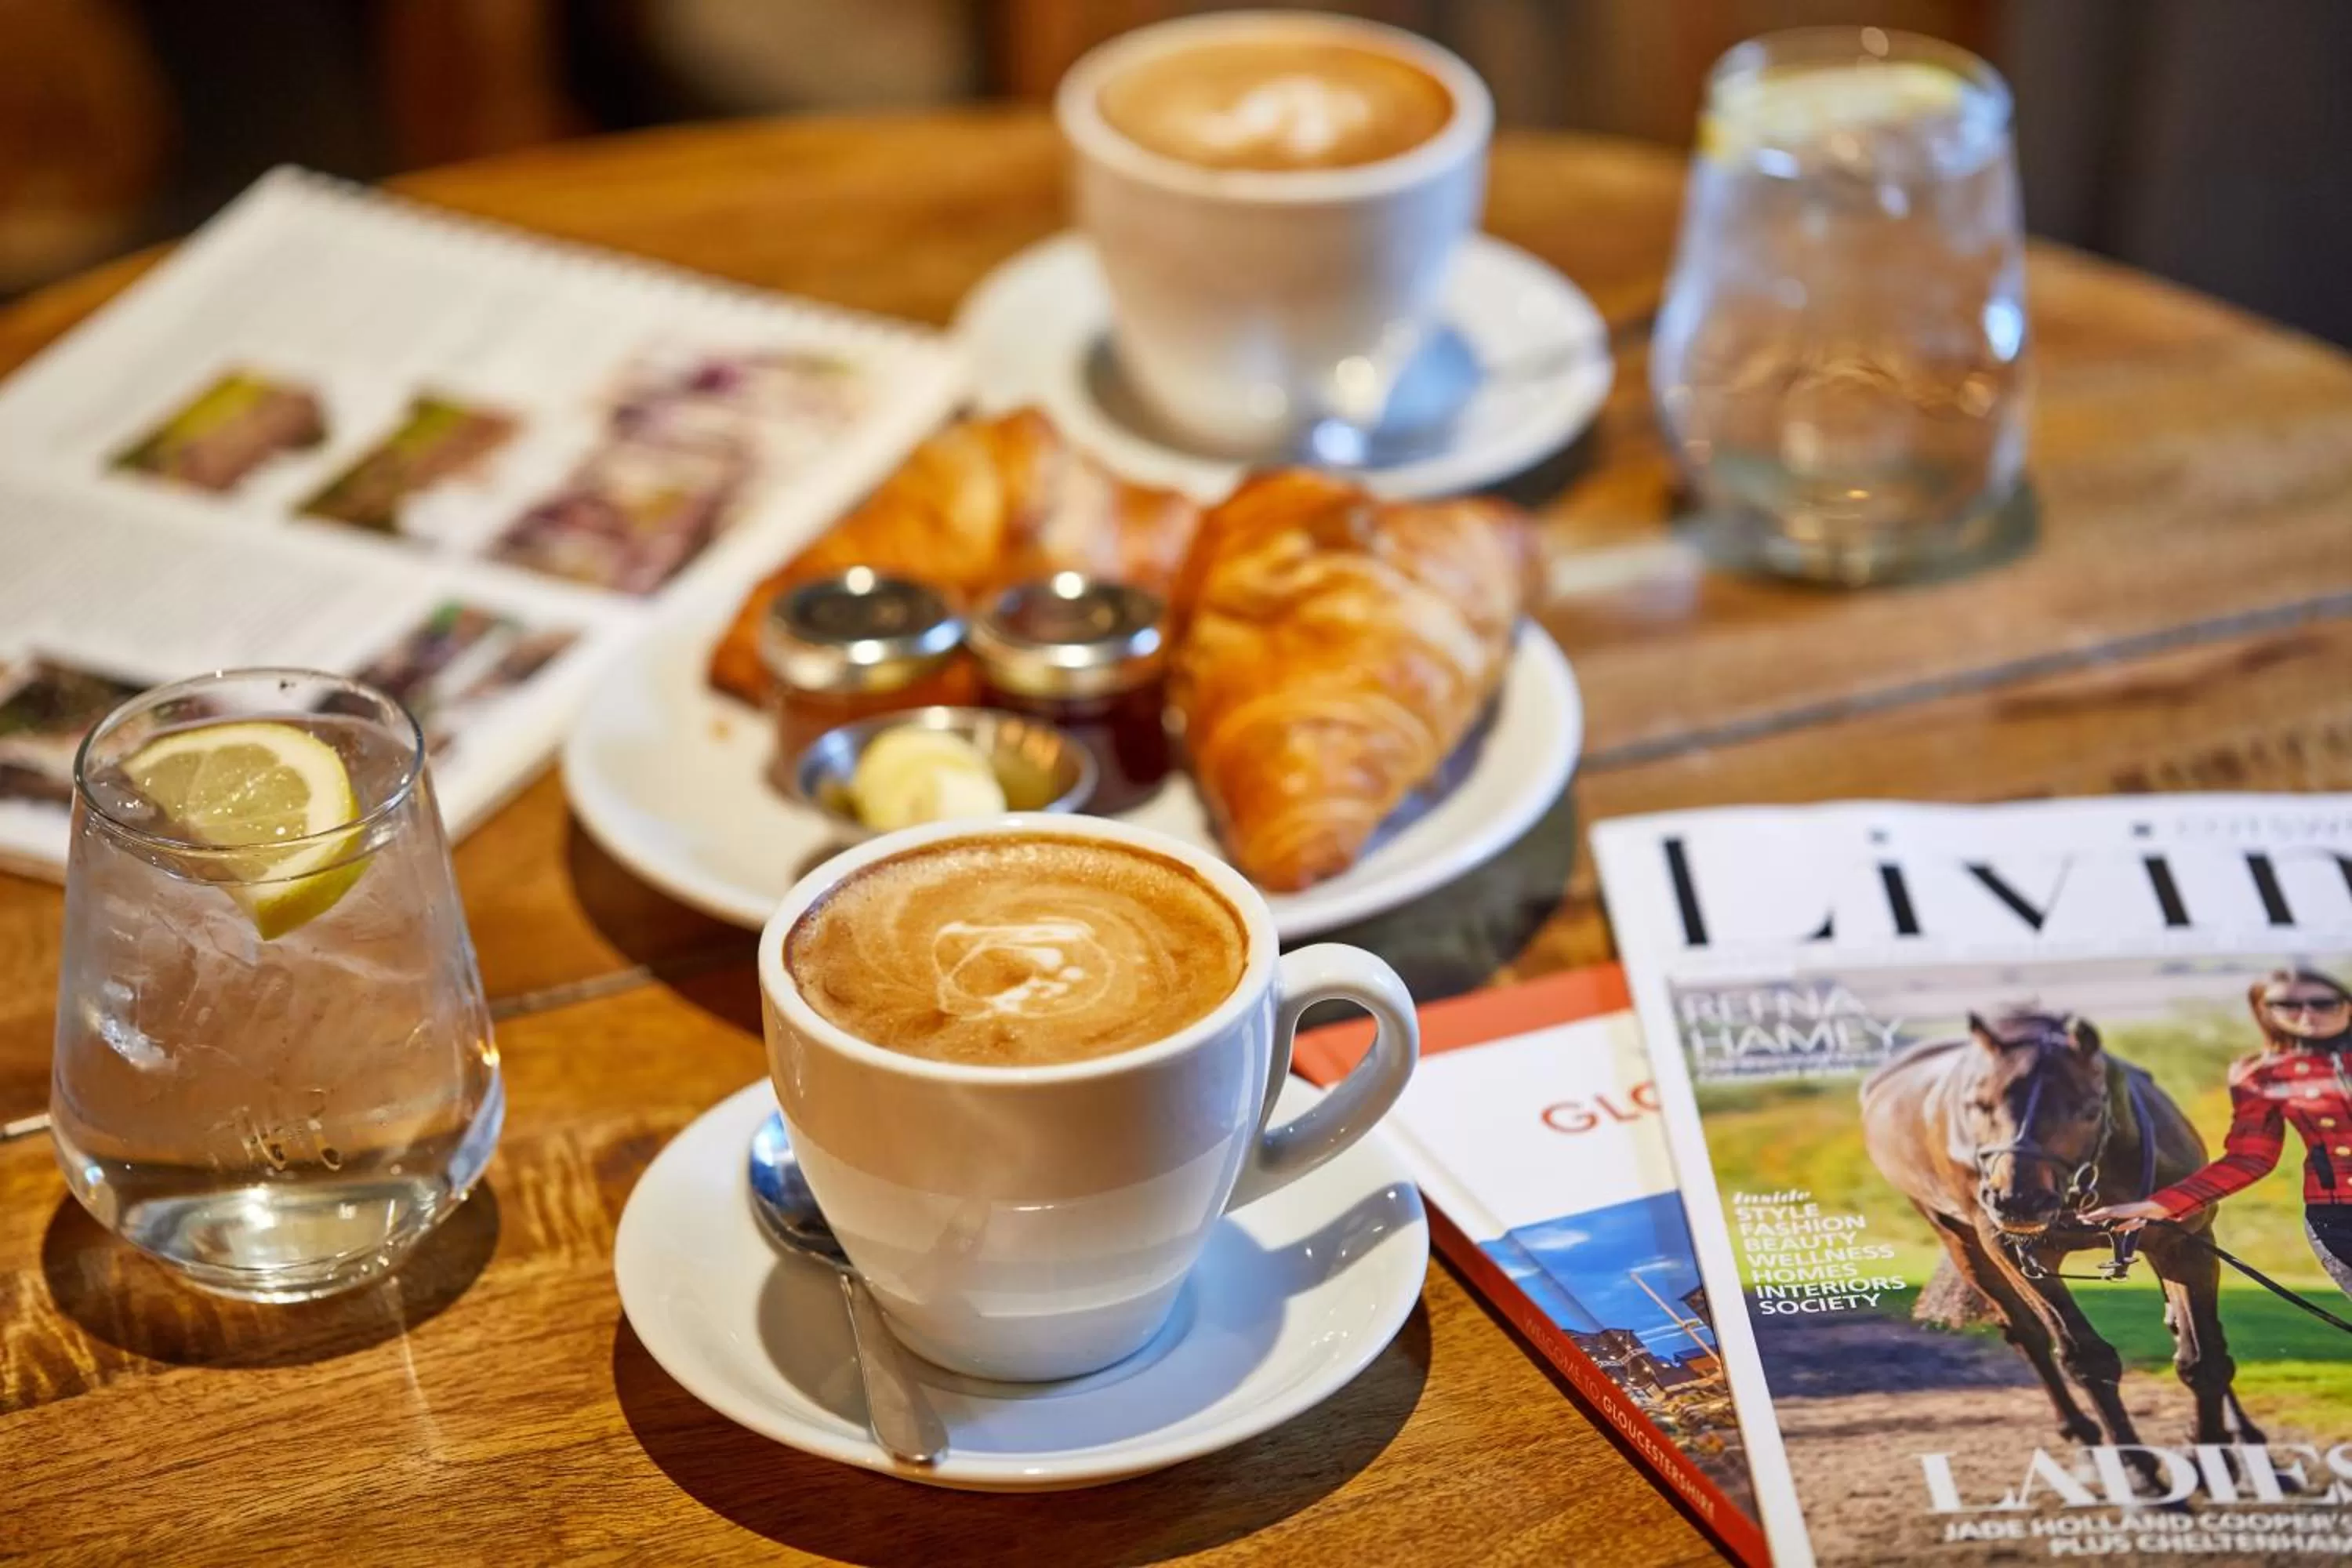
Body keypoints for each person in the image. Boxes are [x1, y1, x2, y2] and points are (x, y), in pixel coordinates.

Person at [2088, 967, 2352, 1298]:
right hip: (2340, 1218)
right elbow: (2249, 1158)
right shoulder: (2263, 1074)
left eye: (2322, 1002)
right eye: (2287, 1005)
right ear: (2265, 1010)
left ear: (2347, 1002)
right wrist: (2160, 1206)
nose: (2307, 1014)